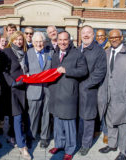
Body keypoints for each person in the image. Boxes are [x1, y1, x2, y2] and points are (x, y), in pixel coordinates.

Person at [98, 29, 126, 160]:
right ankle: (112, 144)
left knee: (123, 125)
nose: (113, 39)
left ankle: (124, 151)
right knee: (110, 121)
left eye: (116, 37)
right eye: (111, 37)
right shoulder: (105, 53)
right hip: (108, 95)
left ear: (122, 37)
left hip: (123, 96)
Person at [48, 31, 88, 160]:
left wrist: (67, 71)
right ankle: (59, 144)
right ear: (57, 40)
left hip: (69, 95)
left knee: (69, 124)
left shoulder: (77, 54)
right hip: (56, 94)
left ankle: (70, 150)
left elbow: (84, 71)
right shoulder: (55, 54)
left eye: (65, 40)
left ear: (69, 41)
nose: (62, 42)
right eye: (60, 40)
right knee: (58, 122)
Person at [0, 31, 32, 160]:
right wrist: (12, 83)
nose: (19, 41)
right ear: (12, 40)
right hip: (13, 90)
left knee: (22, 116)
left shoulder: (24, 53)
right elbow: (2, 71)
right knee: (17, 117)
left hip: (24, 89)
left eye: (21, 39)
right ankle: (22, 146)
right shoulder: (6, 52)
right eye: (16, 39)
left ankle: (16, 137)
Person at [78, 25, 107, 156]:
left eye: (88, 33)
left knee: (88, 118)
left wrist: (85, 85)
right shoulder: (77, 50)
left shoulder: (98, 51)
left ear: (93, 35)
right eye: (83, 33)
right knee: (78, 117)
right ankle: (79, 140)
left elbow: (100, 72)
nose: (85, 35)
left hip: (89, 90)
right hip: (75, 91)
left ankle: (86, 144)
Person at [26, 32, 53, 148]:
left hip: (47, 89)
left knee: (46, 114)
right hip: (33, 89)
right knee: (32, 115)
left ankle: (44, 137)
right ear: (32, 43)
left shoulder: (50, 52)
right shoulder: (28, 53)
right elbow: (24, 69)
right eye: (36, 42)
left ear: (45, 42)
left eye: (41, 41)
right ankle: (31, 137)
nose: (39, 44)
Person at [95, 29, 110, 144]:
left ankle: (106, 132)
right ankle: (97, 128)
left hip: (105, 80)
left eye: (102, 36)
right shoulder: (94, 47)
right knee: (96, 107)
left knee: (105, 107)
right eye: (98, 36)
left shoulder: (109, 48)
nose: (100, 38)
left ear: (105, 36)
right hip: (94, 80)